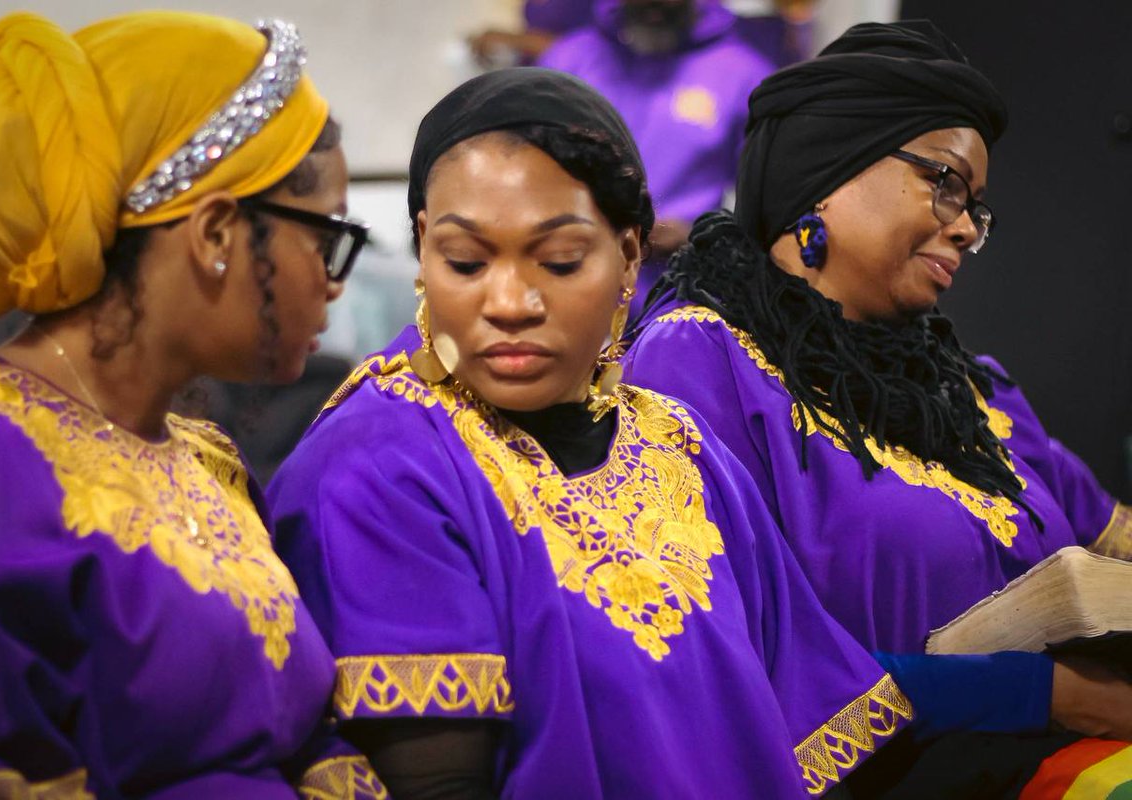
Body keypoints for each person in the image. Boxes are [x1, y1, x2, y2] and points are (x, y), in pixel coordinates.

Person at [268, 67, 913, 799]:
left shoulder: (681, 446)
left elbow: (819, 733)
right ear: (422, 250)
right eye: (466, 262)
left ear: (630, 257)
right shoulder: (378, 464)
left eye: (560, 261)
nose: (509, 302)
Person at [622, 20, 1132, 795]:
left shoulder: (968, 390)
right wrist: (1049, 694)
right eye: (946, 183)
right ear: (829, 170)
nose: (965, 226)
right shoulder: (699, 361)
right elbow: (725, 656)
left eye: (976, 208)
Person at [0, 12, 381, 797]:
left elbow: (307, 732)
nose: (334, 281)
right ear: (215, 233)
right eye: (326, 237)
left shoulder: (208, 461)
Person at [538, 0, 777, 316]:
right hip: (567, 284)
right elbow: (525, 171)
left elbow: (770, 202)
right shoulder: (568, 61)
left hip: (683, 295)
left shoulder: (743, 75)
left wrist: (700, 233)